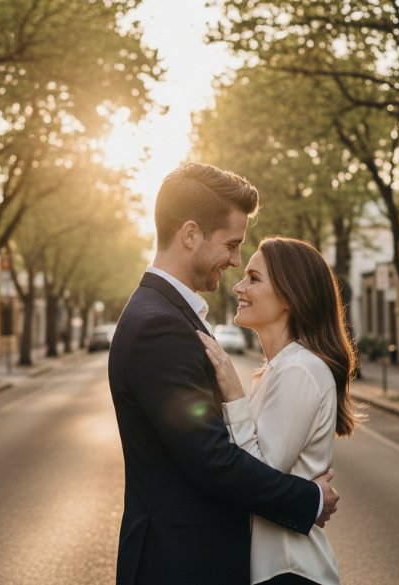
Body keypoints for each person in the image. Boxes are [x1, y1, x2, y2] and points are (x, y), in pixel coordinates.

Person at [108, 164, 339, 585]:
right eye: (232, 245)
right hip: (180, 566)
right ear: (191, 234)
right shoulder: (158, 325)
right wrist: (309, 499)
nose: (234, 262)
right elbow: (212, 460)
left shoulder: (170, 316)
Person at [196, 236, 362, 585]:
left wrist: (233, 395)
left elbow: (259, 477)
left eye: (254, 278)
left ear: (290, 296)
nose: (239, 286)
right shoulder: (277, 369)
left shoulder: (299, 370)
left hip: (290, 571)